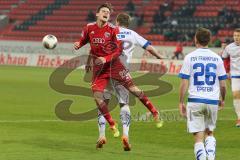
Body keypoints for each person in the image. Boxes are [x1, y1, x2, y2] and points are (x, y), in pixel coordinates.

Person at [74, 3, 160, 150]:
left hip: (110, 66)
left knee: (102, 103)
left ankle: (102, 135)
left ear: (117, 21)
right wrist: (160, 57)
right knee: (124, 104)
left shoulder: (113, 29)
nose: (106, 14)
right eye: (104, 11)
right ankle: (126, 135)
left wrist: (90, 61)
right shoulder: (132, 34)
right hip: (120, 69)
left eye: (108, 12)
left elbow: (101, 49)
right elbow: (148, 47)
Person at [178, 28, 227, 160]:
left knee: (198, 137)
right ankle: (211, 158)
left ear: (196, 39)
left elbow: (184, 83)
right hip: (212, 101)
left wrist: (181, 102)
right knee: (209, 133)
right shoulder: (217, 58)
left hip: (195, 100)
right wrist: (222, 99)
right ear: (209, 40)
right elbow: (223, 84)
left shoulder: (190, 57)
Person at [222, 28, 240, 127]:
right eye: (235, 36)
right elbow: (224, 58)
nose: (236, 37)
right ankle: (239, 118)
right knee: (236, 95)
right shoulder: (229, 47)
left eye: (238, 36)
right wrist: (226, 70)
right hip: (235, 75)